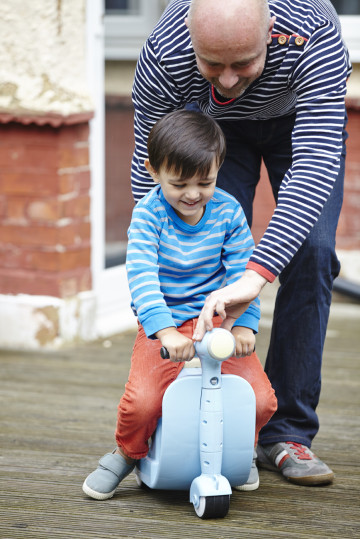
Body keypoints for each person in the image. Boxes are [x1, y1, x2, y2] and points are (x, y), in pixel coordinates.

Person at [129, 0, 352, 485]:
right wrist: (151, 265)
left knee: (311, 253)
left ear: (271, 30)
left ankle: (286, 432)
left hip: (299, 122)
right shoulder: (164, 52)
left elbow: (315, 158)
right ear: (189, 40)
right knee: (208, 248)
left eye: (242, 62)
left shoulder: (314, 33)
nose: (227, 80)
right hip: (216, 131)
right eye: (211, 63)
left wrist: (256, 275)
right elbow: (152, 165)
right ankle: (211, 410)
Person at [82, 110, 277, 500]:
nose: (192, 193)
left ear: (219, 168)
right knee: (144, 401)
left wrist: (243, 326)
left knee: (259, 398)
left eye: (205, 182)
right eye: (179, 183)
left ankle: (242, 452)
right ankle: (127, 452)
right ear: (154, 171)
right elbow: (142, 276)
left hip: (219, 323)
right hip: (166, 324)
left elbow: (242, 277)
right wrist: (166, 329)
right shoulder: (148, 216)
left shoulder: (229, 212)